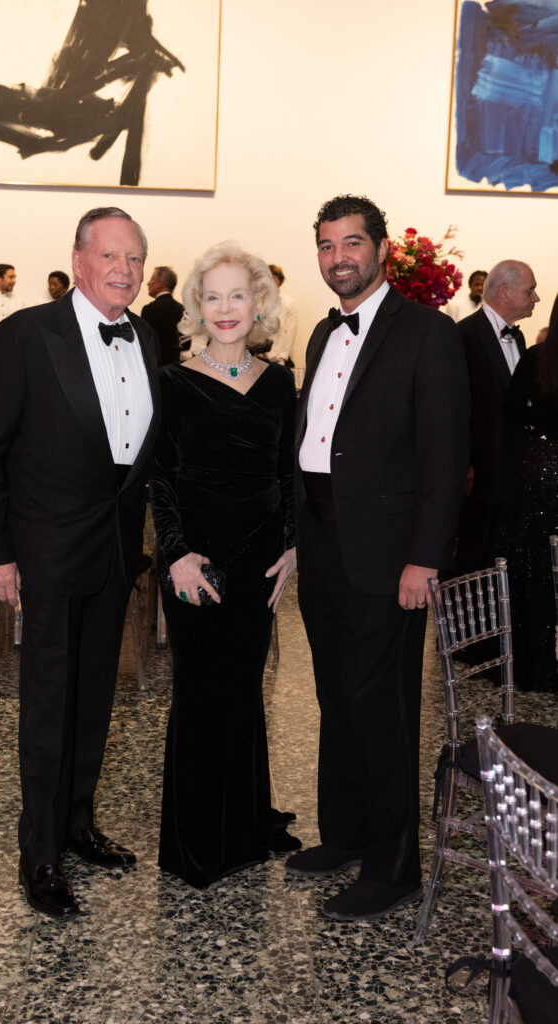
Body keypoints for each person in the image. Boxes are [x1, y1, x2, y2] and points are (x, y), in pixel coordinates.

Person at [0, 207, 160, 918]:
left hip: (114, 550)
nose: (124, 270)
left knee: (93, 698)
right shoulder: (26, 334)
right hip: (45, 552)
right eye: (111, 256)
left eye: (135, 258)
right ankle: (38, 852)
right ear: (78, 260)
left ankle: (77, 824)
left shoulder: (145, 335)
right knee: (48, 705)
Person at [285, 195, 469, 922]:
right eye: (326, 245)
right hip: (323, 544)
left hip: (388, 555)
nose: (338, 258)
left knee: (383, 707)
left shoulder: (426, 334)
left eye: (351, 243)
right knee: (336, 697)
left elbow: (443, 457)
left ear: (383, 250)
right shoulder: (321, 336)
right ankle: (348, 833)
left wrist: (423, 559)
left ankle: (394, 865)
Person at [149, 242, 299, 888]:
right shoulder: (174, 380)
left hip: (261, 561)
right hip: (196, 561)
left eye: (238, 295)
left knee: (242, 691)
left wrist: (293, 547)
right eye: (213, 297)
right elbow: (160, 479)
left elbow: (287, 471)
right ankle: (196, 842)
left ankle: (242, 827)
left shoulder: (279, 379)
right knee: (198, 691)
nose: (226, 308)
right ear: (196, 308)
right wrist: (176, 555)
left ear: (258, 302)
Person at [455, 260, 539, 574]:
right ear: (504, 292)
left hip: (512, 472)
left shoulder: (517, 338)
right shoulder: (463, 335)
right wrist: (463, 463)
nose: (536, 299)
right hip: (477, 476)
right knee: (472, 557)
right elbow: (455, 408)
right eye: (530, 291)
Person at [496, 293, 558, 694]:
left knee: (534, 568)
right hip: (542, 476)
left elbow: (511, 417)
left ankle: (535, 666)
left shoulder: (537, 358)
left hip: (537, 472)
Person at [140, 265, 185, 365]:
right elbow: (186, 344)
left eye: (151, 279)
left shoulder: (149, 310)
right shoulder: (182, 310)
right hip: (177, 369)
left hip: (156, 369)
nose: (148, 283)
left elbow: (144, 345)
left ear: (160, 284)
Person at [267, 264, 298, 366]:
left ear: (279, 280)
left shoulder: (289, 303)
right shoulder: (257, 304)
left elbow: (290, 333)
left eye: (274, 277)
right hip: (260, 359)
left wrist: (282, 358)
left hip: (280, 359)